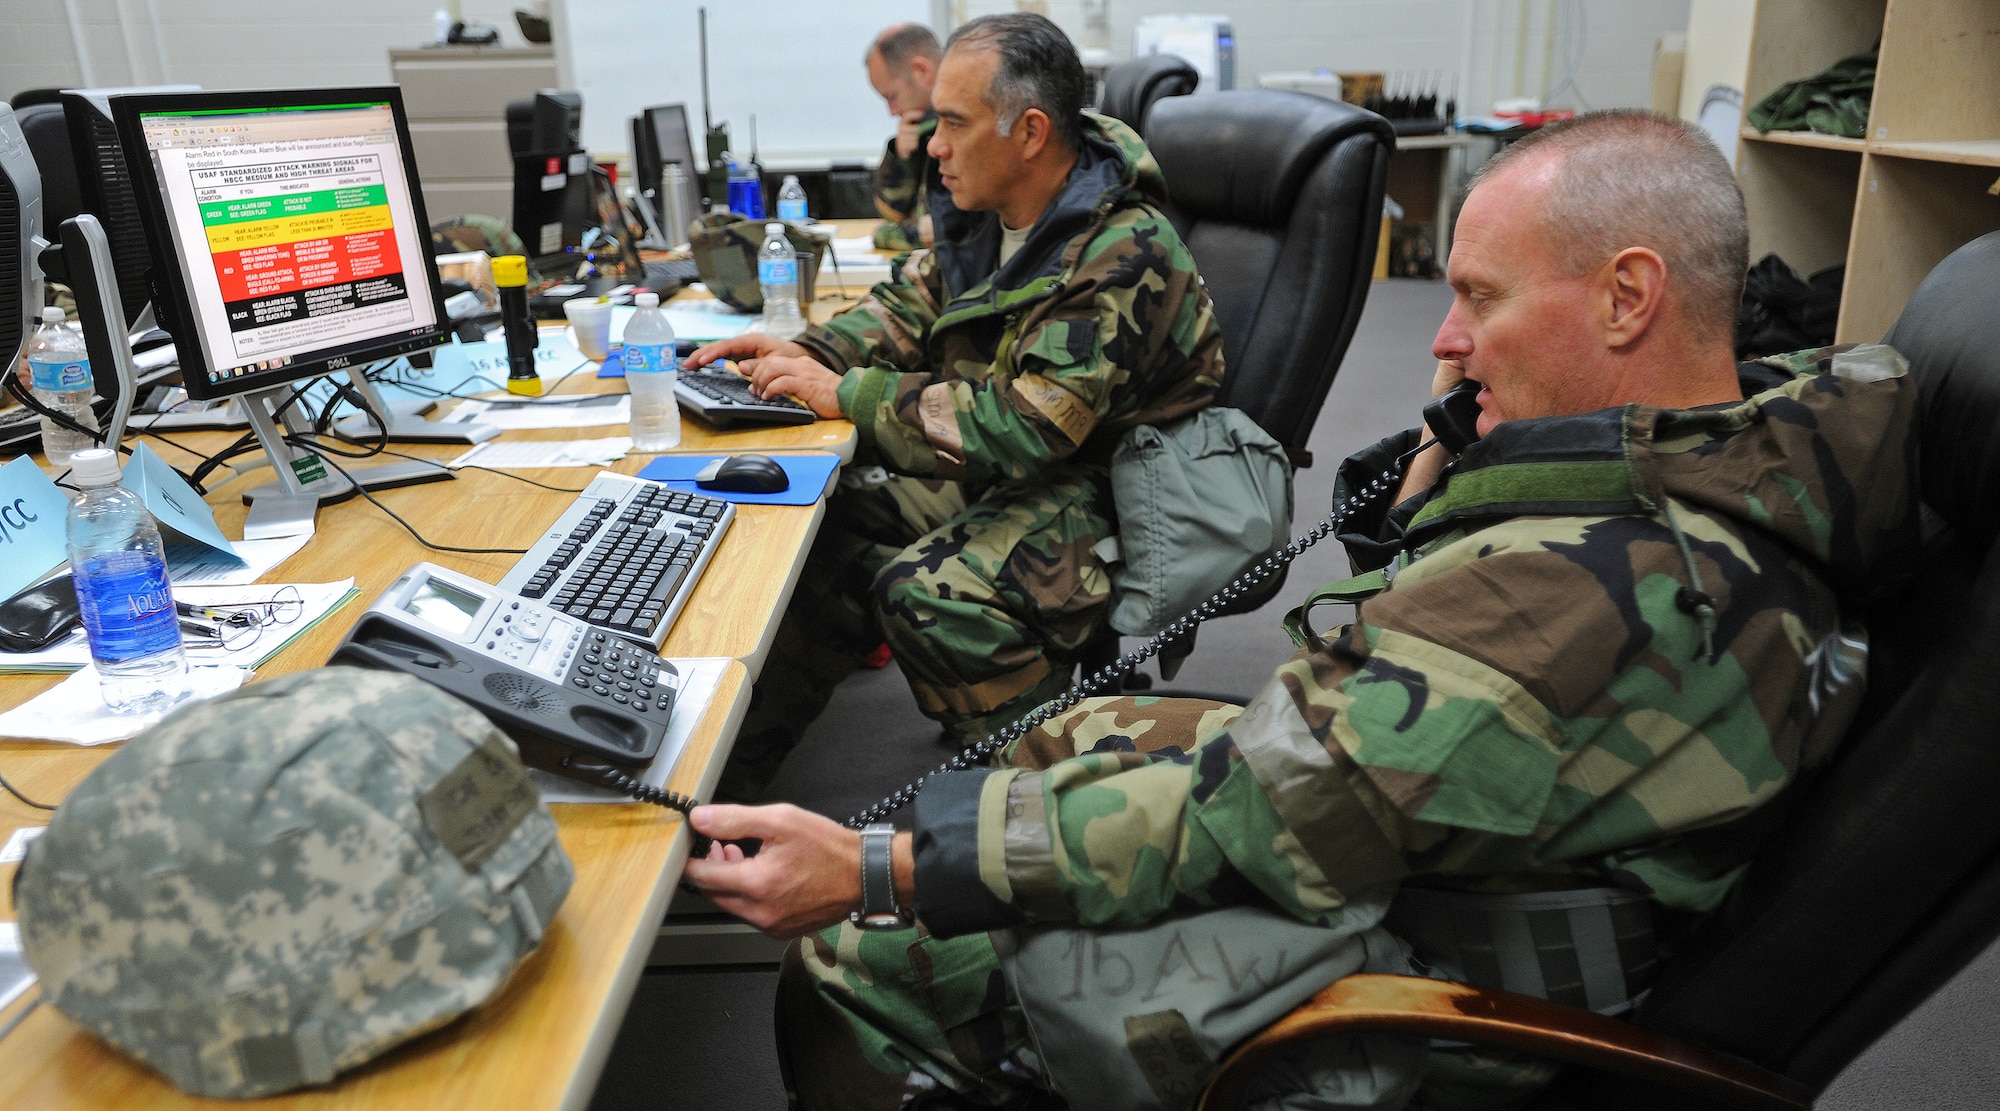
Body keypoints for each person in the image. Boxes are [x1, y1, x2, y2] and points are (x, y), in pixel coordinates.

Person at [682, 108, 1920, 1111]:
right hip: (1467, 835)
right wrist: (1456, 472)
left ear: (1625, 296)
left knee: (853, 967)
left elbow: (1258, 816)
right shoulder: (1731, 448)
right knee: (1056, 742)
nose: (1445, 339)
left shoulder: (1576, 597)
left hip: (1426, 988)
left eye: (1478, 297)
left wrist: (880, 869)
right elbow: (1378, 674)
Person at [687, 14, 1223, 804]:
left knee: (927, 589)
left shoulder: (1121, 251)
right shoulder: (995, 216)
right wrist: (808, 355)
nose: (933, 146)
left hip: (1117, 484)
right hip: (1030, 466)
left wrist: (850, 394)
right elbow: (911, 306)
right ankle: (718, 790)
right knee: (827, 523)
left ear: (1030, 131)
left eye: (954, 123)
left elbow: (1026, 426)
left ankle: (1055, 803)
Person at [866, 23, 943, 251]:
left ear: (922, 72)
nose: (892, 112)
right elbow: (893, 213)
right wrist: (901, 158)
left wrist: (884, 234)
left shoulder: (967, 127)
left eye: (893, 96)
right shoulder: (923, 129)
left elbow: (940, 232)